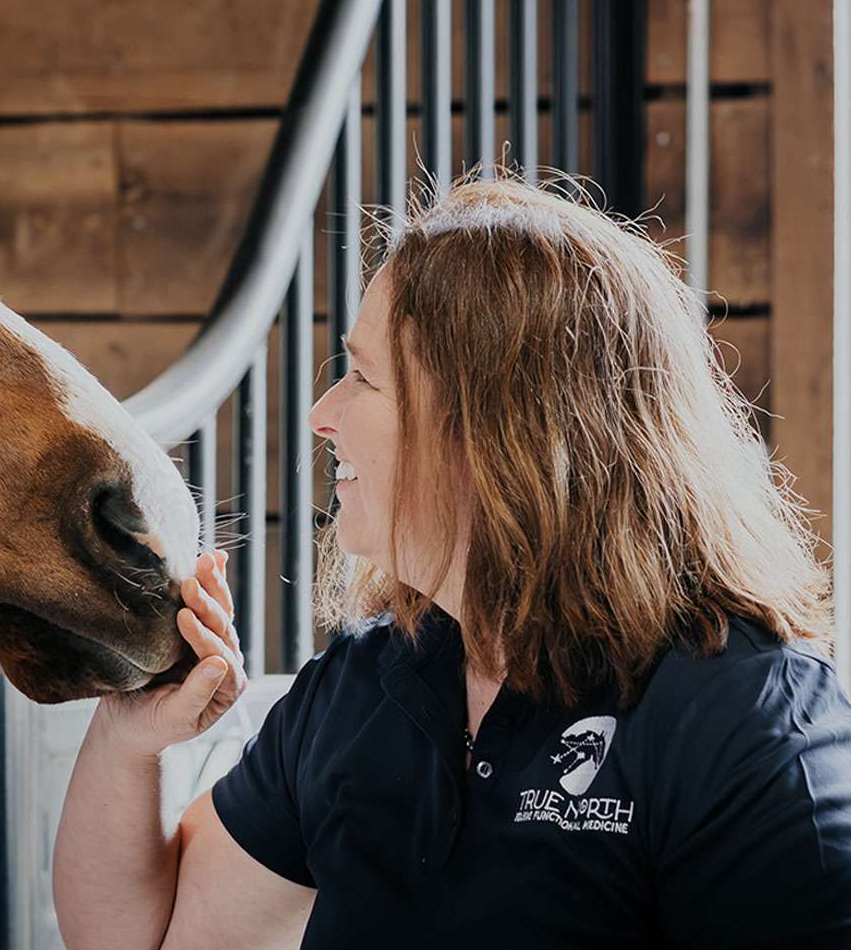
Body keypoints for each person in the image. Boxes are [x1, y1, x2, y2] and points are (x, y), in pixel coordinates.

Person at [53, 178, 851, 949]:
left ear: (500, 436)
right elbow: (148, 941)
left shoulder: (746, 718)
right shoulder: (363, 687)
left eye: (364, 378)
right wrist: (130, 740)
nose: (322, 415)